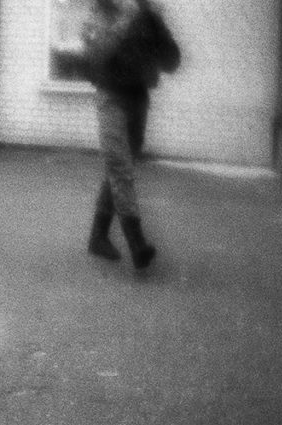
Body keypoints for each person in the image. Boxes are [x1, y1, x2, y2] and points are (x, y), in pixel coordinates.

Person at [83, 0, 180, 269]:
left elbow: (172, 62)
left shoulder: (148, 17)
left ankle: (98, 236)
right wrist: (125, 24)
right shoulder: (101, 13)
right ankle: (137, 243)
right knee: (119, 166)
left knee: (119, 168)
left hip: (139, 99)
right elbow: (95, 58)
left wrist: (157, 27)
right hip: (110, 96)